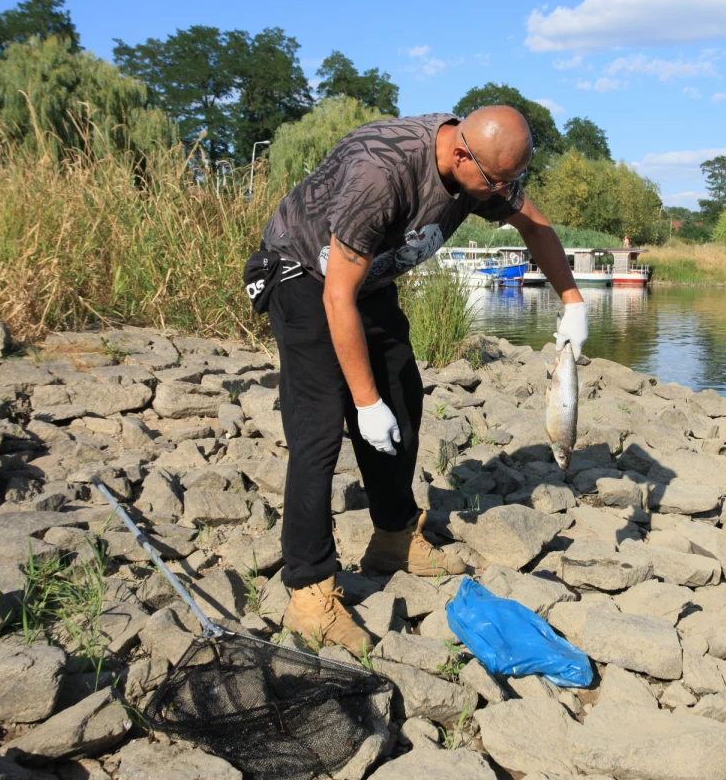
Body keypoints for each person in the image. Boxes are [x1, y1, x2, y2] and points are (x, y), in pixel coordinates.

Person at [243, 105, 587, 652]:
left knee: (402, 400)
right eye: (496, 183)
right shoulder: (380, 173)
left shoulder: (482, 167)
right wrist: (363, 400)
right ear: (459, 154)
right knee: (320, 429)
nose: (502, 194)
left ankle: (393, 538)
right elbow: (336, 296)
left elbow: (534, 224)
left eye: (511, 182)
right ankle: (309, 591)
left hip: (367, 285)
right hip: (305, 277)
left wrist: (572, 301)